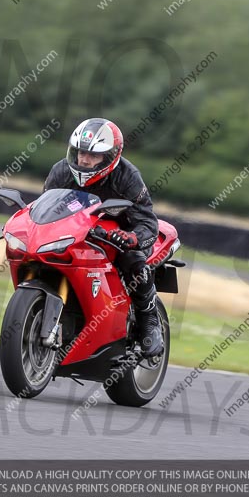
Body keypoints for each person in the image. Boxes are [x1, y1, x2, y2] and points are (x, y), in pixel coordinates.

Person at [43, 117, 163, 357]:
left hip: (118, 234)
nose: (84, 160)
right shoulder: (61, 171)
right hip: (78, 232)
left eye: (93, 155)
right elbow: (45, 208)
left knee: (132, 259)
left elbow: (148, 222)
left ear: (110, 157)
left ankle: (149, 321)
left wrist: (131, 238)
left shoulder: (127, 176)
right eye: (80, 152)